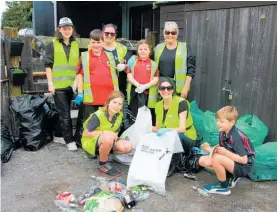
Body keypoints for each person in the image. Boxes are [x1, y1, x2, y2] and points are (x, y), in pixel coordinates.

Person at [73, 29, 119, 150]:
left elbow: (115, 74)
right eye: (93, 42)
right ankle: (90, 148)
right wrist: (80, 92)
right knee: (90, 126)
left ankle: (104, 147)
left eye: (99, 42)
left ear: (103, 43)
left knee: (106, 124)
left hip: (108, 98)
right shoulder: (84, 56)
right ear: (90, 42)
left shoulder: (110, 56)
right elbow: (79, 75)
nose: (96, 45)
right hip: (91, 98)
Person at [199, 106, 255, 195]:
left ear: (232, 122)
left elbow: (244, 160)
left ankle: (223, 186)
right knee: (202, 160)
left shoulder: (235, 137)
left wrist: (225, 152)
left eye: (221, 121)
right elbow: (223, 151)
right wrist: (210, 149)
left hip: (243, 166)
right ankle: (229, 177)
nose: (217, 123)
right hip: (233, 161)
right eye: (217, 120)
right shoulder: (222, 133)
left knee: (216, 158)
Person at [44, 17, 79, 151]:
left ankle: (63, 135)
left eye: (69, 28)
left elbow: (78, 66)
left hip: (73, 85)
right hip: (58, 86)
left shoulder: (76, 45)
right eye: (64, 28)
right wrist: (50, 84)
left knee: (70, 112)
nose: (67, 30)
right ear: (59, 29)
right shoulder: (52, 44)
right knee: (65, 114)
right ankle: (69, 140)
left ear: (72, 29)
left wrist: (77, 82)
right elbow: (48, 66)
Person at [152, 77, 197, 176]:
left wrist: (167, 130)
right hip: (169, 136)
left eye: (169, 88)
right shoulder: (158, 105)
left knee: (174, 136)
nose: (166, 91)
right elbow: (158, 128)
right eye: (162, 88)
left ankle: (173, 166)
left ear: (173, 90)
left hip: (186, 137)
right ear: (159, 90)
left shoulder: (181, 103)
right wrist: (146, 128)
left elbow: (182, 129)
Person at [82, 91, 132, 177]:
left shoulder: (119, 115)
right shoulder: (98, 115)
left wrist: (114, 135)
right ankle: (102, 164)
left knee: (128, 147)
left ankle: (104, 154)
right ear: (108, 102)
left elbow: (116, 130)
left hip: (107, 140)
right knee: (108, 137)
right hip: (91, 141)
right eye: (114, 102)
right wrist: (105, 132)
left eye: (120, 104)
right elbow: (87, 133)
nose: (117, 106)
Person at [154, 21, 196, 98]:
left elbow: (191, 70)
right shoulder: (158, 48)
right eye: (167, 32)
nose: (170, 35)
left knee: (178, 109)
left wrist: (186, 88)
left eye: (173, 32)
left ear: (177, 34)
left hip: (179, 89)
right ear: (164, 33)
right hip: (162, 87)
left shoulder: (185, 47)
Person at [126, 39, 159, 125]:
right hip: (135, 92)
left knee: (147, 116)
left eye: (145, 49)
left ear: (149, 50)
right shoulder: (133, 61)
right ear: (137, 50)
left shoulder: (154, 64)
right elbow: (129, 75)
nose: (143, 51)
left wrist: (145, 86)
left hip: (148, 93)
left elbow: (156, 79)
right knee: (134, 114)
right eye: (140, 49)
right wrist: (137, 85)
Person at [102, 23, 132, 96]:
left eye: (112, 34)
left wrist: (124, 66)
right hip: (100, 84)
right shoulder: (95, 46)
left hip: (117, 86)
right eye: (107, 33)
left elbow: (130, 65)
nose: (109, 35)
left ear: (115, 35)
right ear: (102, 34)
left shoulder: (122, 48)